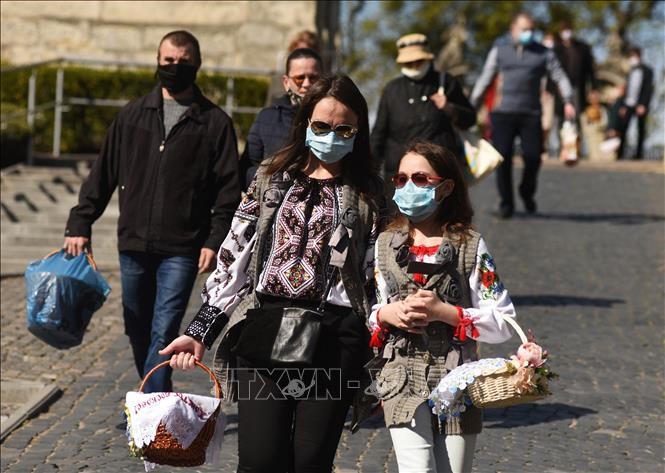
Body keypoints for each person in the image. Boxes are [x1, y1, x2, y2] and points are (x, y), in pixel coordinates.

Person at [160, 74, 384, 473]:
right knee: (260, 461)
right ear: (304, 125)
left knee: (310, 462)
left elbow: (378, 274)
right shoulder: (271, 176)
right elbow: (234, 256)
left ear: (357, 132)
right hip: (265, 330)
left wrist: (383, 349)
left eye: (343, 129)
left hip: (336, 340)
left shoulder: (370, 192)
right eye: (321, 126)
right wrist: (199, 332)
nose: (331, 135)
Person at [63, 30, 240, 393]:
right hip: (133, 243)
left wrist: (214, 239)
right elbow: (103, 172)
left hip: (183, 247)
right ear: (158, 62)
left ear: (197, 64)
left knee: (164, 327)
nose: (175, 68)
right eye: (168, 61)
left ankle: (151, 405)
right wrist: (80, 221)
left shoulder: (215, 123)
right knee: (137, 325)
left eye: (183, 62)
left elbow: (227, 191)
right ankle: (155, 390)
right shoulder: (132, 116)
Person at [369, 140, 515, 473]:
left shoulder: (470, 246)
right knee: (417, 468)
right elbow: (373, 310)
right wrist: (388, 314)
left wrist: (446, 313)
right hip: (400, 374)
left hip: (458, 379)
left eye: (420, 179)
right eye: (400, 179)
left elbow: (503, 321)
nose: (408, 187)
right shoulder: (384, 245)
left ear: (446, 187)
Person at [470, 12, 576, 219]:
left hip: (530, 113)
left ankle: (526, 191)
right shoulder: (499, 51)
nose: (528, 33)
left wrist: (569, 101)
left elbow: (560, 76)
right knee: (503, 158)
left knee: (534, 156)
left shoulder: (544, 53)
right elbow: (485, 78)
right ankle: (506, 203)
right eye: (524, 29)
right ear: (513, 30)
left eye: (531, 29)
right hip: (503, 114)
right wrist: (472, 104)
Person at [371, 33, 476, 185]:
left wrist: (450, 108)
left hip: (439, 172)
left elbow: (470, 118)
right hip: (400, 176)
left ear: (428, 58)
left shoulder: (446, 82)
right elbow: (378, 134)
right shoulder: (391, 90)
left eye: (418, 61)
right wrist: (369, 171)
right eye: (409, 62)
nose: (414, 65)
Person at [240, 47, 322, 189]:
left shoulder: (335, 118)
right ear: (286, 82)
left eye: (313, 78)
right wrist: (270, 185)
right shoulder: (267, 117)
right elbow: (248, 167)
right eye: (300, 78)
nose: (307, 84)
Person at [551, 21, 597, 131]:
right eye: (564, 31)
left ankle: (577, 142)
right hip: (559, 88)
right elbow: (551, 70)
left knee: (577, 116)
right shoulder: (556, 50)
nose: (567, 33)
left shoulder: (582, 48)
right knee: (559, 116)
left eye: (568, 30)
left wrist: (594, 87)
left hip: (577, 86)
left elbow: (590, 69)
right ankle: (560, 144)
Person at [616, 47, 654, 160]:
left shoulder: (647, 71)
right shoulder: (630, 71)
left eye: (634, 56)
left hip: (640, 104)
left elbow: (648, 89)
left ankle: (638, 155)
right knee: (623, 128)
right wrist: (622, 105)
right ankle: (620, 154)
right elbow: (625, 89)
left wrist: (643, 105)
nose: (632, 59)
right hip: (628, 104)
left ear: (639, 56)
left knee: (640, 130)